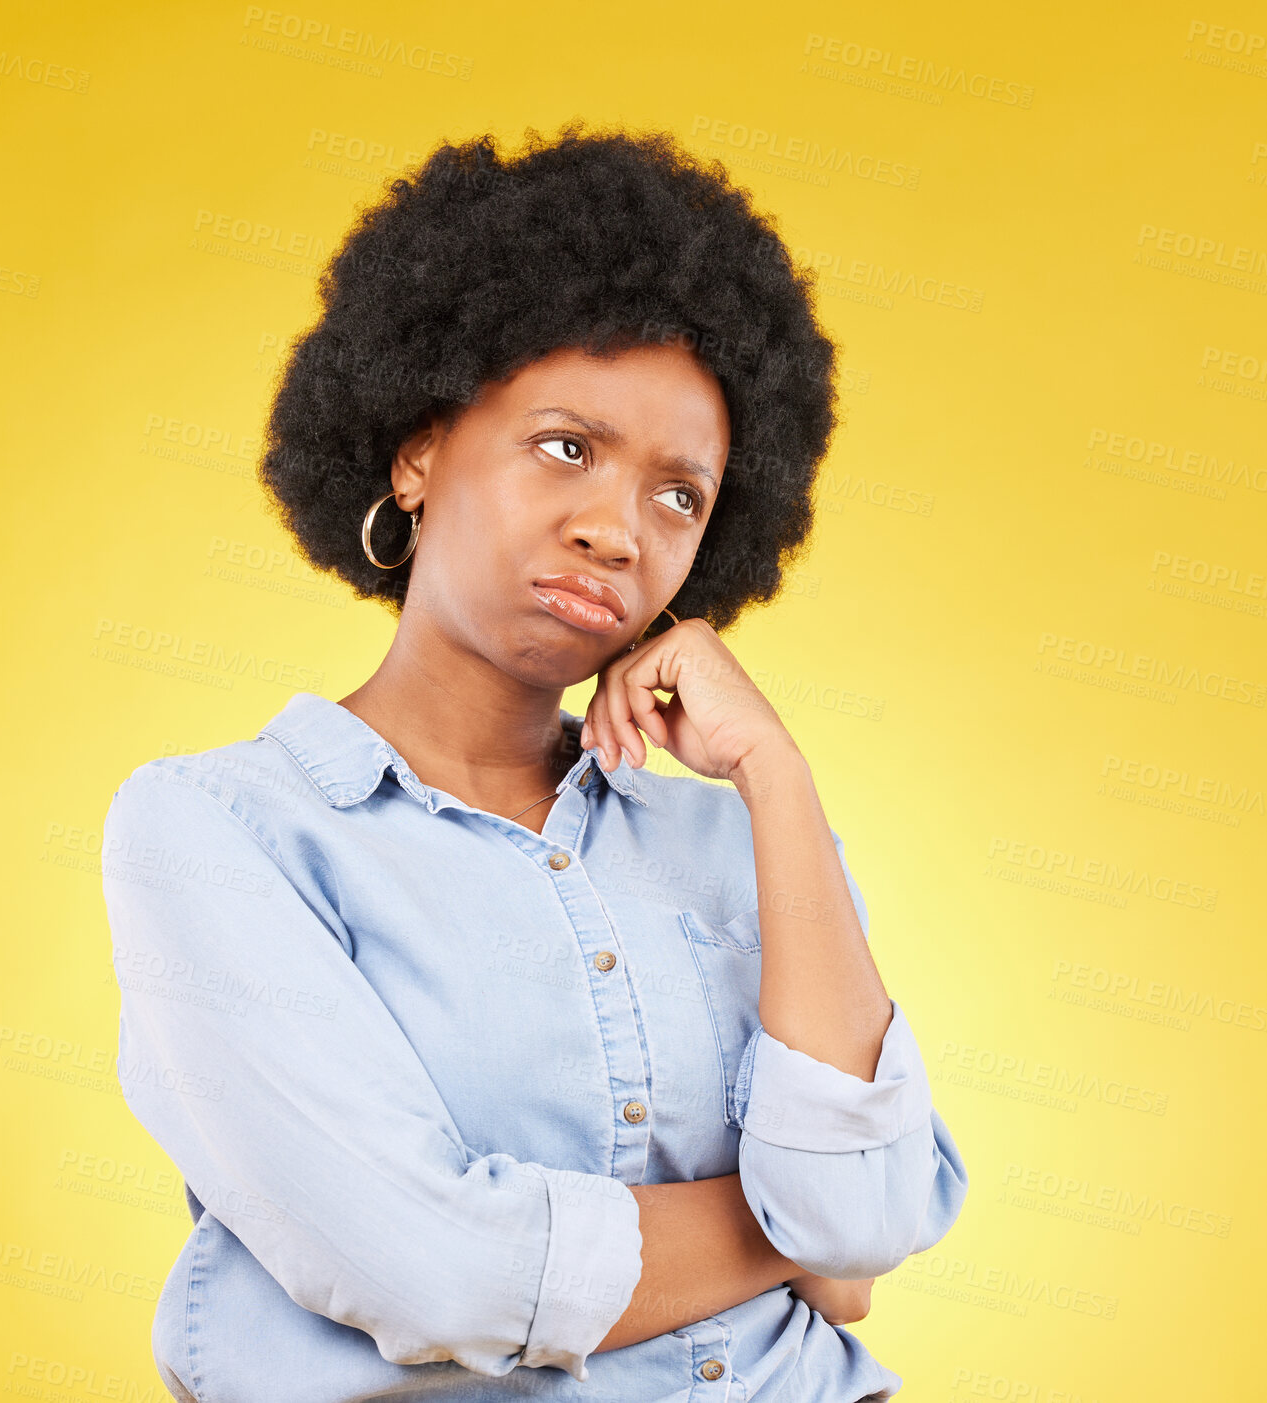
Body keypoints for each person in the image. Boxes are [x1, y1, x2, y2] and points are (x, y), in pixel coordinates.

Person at [101, 121, 970, 1403]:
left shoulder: (738, 841)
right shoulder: (224, 830)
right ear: (418, 450)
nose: (617, 528)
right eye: (569, 445)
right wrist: (793, 1234)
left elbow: (874, 1224)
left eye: (682, 495)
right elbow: (431, 1269)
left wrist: (777, 775)